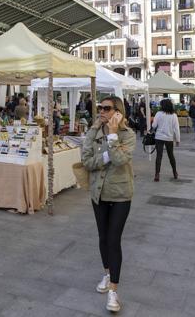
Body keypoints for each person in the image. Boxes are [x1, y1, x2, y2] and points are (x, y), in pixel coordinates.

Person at [81, 96, 135, 313]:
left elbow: (122, 160)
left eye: (107, 108)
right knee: (103, 237)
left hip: (120, 193)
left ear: (118, 112)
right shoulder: (94, 132)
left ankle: (113, 289)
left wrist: (112, 136)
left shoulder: (127, 135)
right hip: (99, 193)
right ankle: (106, 272)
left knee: (114, 239)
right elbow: (86, 161)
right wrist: (105, 158)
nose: (101, 111)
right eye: (100, 108)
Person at [152, 98, 180, 182]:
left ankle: (157, 174)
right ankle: (174, 172)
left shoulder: (158, 114)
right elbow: (176, 128)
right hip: (169, 138)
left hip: (159, 137)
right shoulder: (173, 115)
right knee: (171, 155)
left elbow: (154, 125)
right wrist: (177, 139)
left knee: (159, 156)